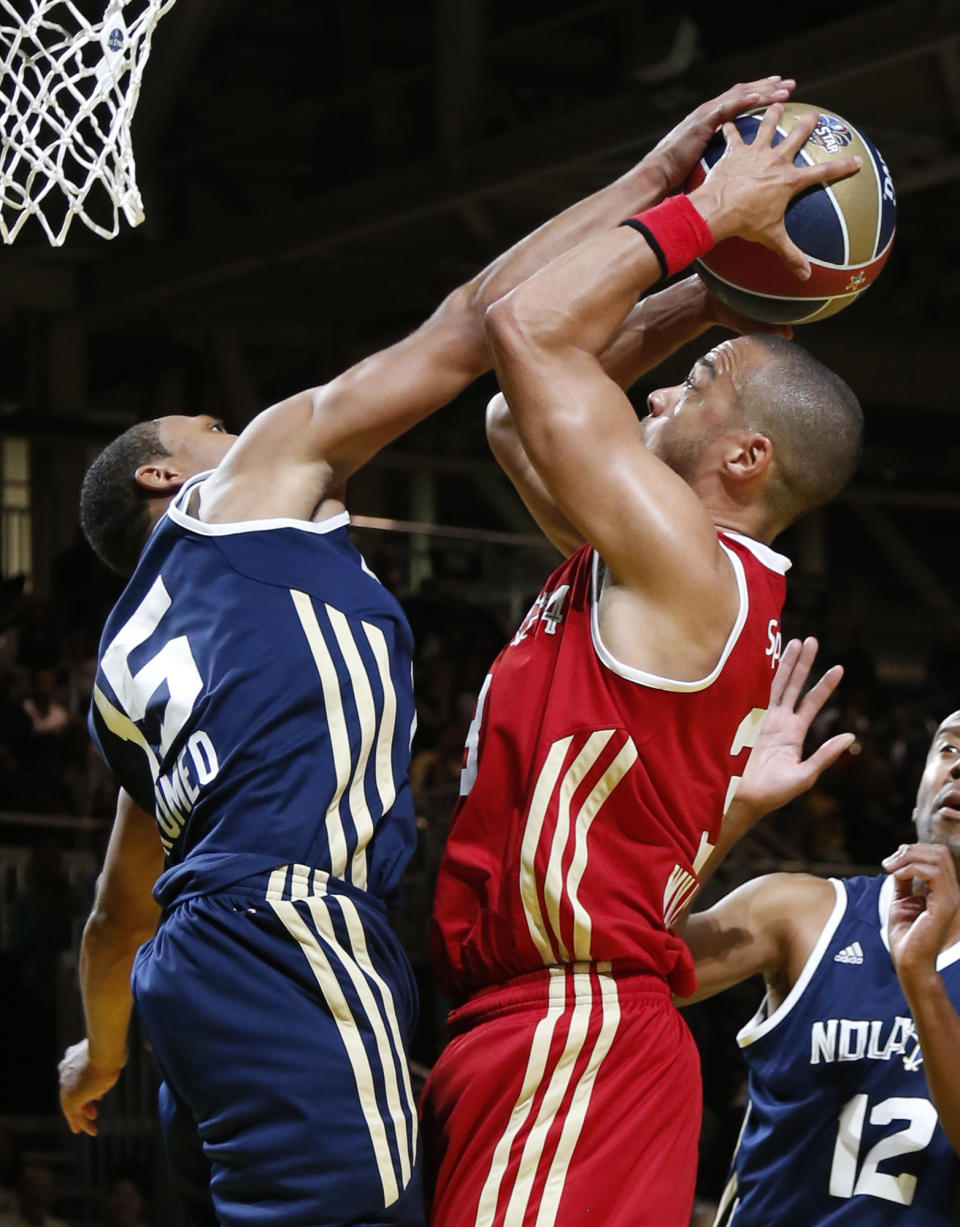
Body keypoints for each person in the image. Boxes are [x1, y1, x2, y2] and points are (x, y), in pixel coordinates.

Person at [55, 76, 801, 1227]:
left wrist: (97, 1057)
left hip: (189, 978)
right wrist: (659, 186)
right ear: (168, 474)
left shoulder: (121, 667)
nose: (245, 422)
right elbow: (473, 325)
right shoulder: (247, 487)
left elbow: (117, 913)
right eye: (211, 422)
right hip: (296, 925)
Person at [423, 101, 865, 1226]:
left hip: (575, 1029)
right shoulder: (648, 560)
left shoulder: (681, 562)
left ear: (745, 455)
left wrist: (701, 210)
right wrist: (713, 295)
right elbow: (516, 423)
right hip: (552, 1028)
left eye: (700, 379)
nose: (660, 388)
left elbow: (528, 330)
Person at [678, 701, 960, 1226]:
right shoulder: (804, 912)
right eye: (948, 748)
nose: (957, 764)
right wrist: (732, 813)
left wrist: (920, 980)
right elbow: (640, 971)